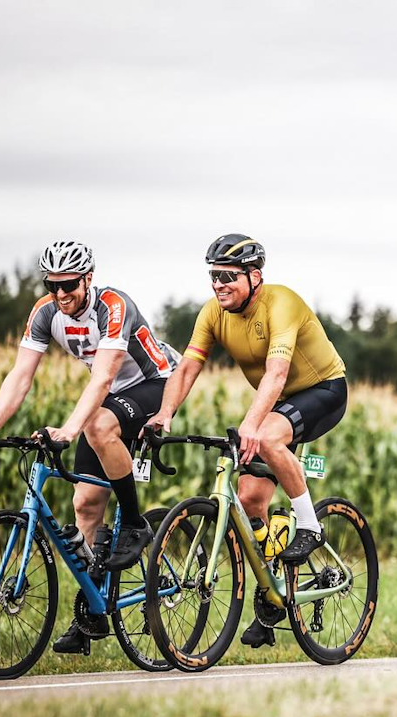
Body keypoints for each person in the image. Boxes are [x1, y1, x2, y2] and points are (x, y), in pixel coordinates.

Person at [0, 240, 178, 653]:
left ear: (88, 278)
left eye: (70, 285)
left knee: (97, 426)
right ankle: (93, 611)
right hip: (113, 397)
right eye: (52, 285)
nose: (61, 294)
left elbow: (104, 378)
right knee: (85, 504)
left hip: (157, 385)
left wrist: (70, 428)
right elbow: (20, 376)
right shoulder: (45, 313)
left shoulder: (114, 306)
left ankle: (133, 521)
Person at [145, 233, 347, 648]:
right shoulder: (213, 314)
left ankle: (310, 526)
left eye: (228, 276)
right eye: (213, 276)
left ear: (254, 276)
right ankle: (273, 594)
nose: (219, 284)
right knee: (251, 501)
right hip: (279, 404)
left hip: (323, 391)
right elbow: (185, 370)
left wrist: (253, 425)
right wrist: (164, 413)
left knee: (268, 438)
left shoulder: (281, 303)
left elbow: (276, 375)